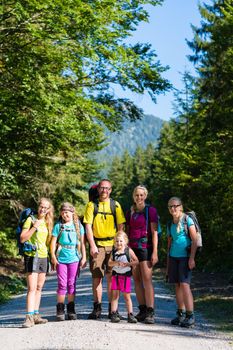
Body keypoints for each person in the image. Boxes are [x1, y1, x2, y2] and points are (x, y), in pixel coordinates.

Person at [83, 179, 126, 319]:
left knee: (112, 278)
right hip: (98, 245)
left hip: (113, 246)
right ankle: (97, 308)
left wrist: (119, 246)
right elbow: (88, 226)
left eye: (107, 188)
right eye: (102, 188)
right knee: (97, 278)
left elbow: (121, 226)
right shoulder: (91, 205)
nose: (104, 191)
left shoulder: (116, 205)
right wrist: (92, 245)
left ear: (110, 190)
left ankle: (112, 310)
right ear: (98, 189)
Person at [125, 185, 158, 324]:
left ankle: (150, 311)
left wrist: (155, 251)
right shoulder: (130, 212)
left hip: (146, 247)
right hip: (132, 248)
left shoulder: (150, 211)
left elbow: (155, 232)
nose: (139, 197)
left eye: (141, 195)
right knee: (137, 280)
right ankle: (142, 310)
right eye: (137, 195)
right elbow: (127, 231)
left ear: (145, 196)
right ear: (134, 196)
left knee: (147, 280)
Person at [20, 197, 54, 328]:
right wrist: (34, 226)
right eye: (41, 207)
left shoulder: (47, 222)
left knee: (39, 288)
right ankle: (28, 318)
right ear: (38, 206)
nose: (43, 209)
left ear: (48, 210)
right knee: (31, 288)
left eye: (46, 208)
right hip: (32, 256)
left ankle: (35, 314)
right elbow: (23, 238)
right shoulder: (31, 219)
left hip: (43, 257)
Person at [50, 202, 86, 321]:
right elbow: (53, 243)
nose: (65, 214)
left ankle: (71, 308)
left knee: (71, 284)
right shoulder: (58, 226)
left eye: (67, 212)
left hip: (74, 258)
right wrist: (53, 257)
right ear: (61, 214)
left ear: (72, 213)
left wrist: (84, 257)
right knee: (62, 284)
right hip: (61, 258)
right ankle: (60, 309)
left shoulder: (78, 226)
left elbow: (82, 243)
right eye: (63, 212)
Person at [166, 196, 197, 328]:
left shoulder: (187, 220)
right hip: (173, 257)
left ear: (180, 207)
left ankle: (190, 316)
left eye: (175, 206)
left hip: (185, 258)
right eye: (171, 206)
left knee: (185, 285)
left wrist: (191, 258)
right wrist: (167, 265)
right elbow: (169, 245)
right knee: (177, 285)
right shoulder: (170, 224)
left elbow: (194, 240)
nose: (173, 208)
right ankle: (180, 314)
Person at [108, 231, 139, 323]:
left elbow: (136, 261)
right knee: (115, 296)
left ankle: (130, 314)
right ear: (114, 242)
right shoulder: (113, 251)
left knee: (127, 296)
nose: (119, 243)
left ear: (125, 241)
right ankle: (113, 313)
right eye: (117, 241)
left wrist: (128, 264)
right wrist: (116, 263)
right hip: (116, 276)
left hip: (126, 277)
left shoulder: (128, 250)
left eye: (121, 241)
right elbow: (109, 263)